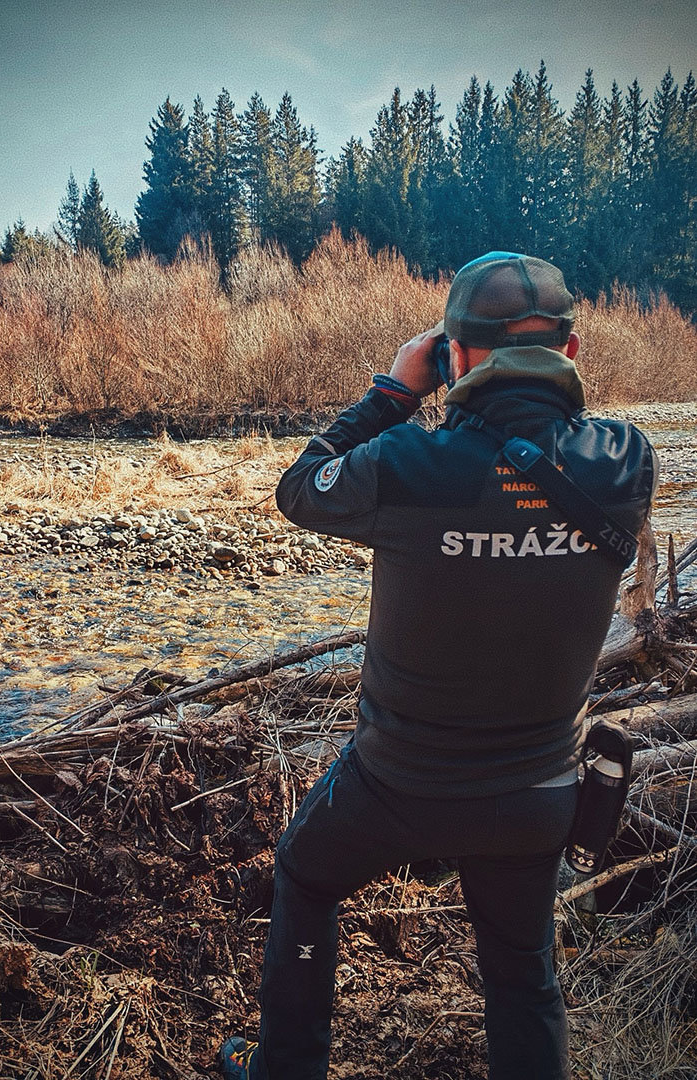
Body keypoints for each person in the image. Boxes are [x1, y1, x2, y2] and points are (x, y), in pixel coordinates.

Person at [220, 252, 658, 1080]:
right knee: (522, 971)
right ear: (571, 353)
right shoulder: (625, 462)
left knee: (306, 878)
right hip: (536, 795)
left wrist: (393, 393)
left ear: (455, 355)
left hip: (397, 787)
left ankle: (287, 1068)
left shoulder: (405, 464)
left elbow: (300, 487)